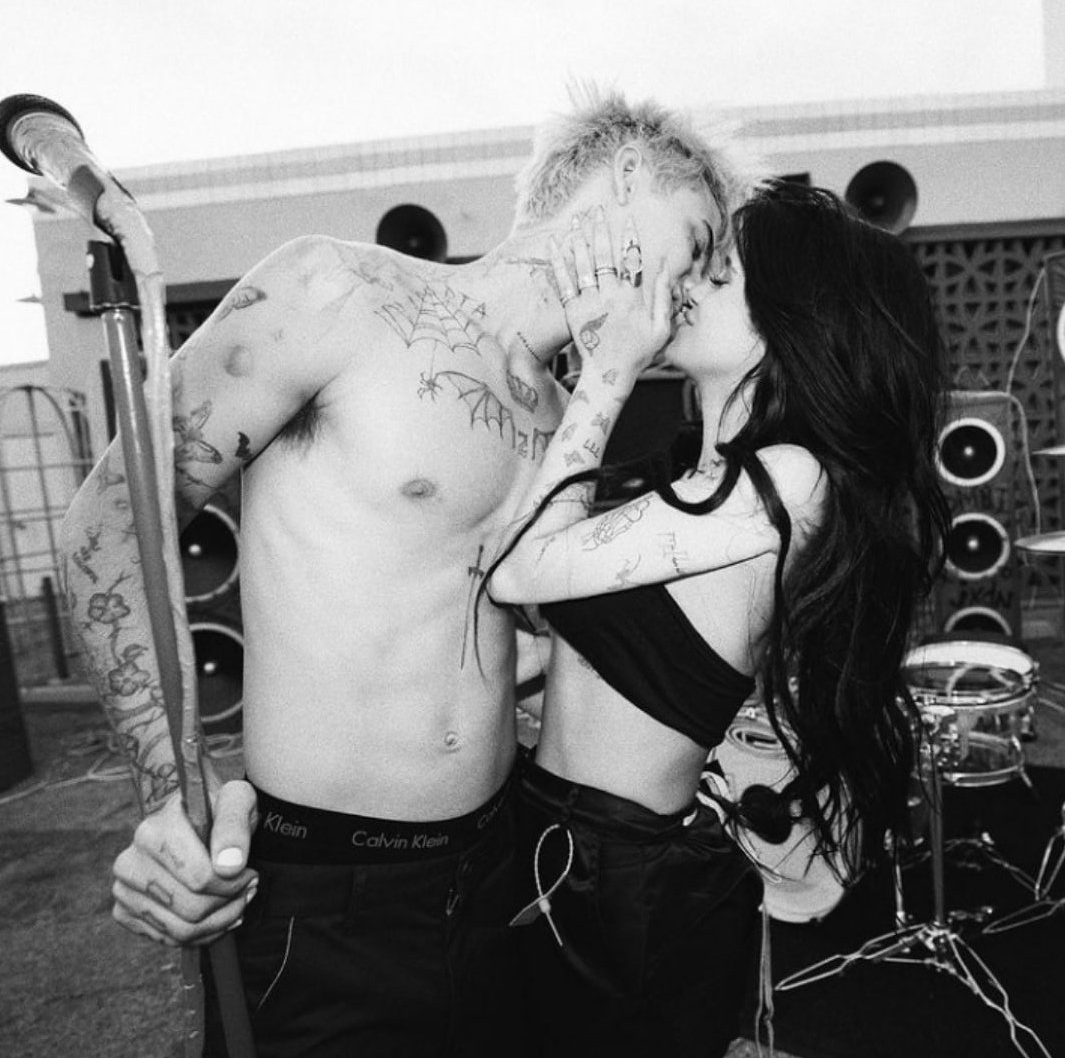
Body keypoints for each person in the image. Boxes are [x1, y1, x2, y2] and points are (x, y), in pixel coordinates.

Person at [58, 88, 752, 1057]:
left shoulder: (569, 418)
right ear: (629, 173)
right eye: (699, 241)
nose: (696, 286)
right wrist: (172, 791)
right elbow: (105, 532)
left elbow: (488, 632)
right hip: (323, 891)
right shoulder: (334, 293)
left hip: (498, 876)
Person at [484, 180, 951, 1058]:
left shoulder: (788, 477)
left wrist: (607, 370)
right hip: (561, 839)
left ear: (791, 320)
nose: (687, 283)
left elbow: (520, 569)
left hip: (612, 871)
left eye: (722, 272)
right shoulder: (706, 481)